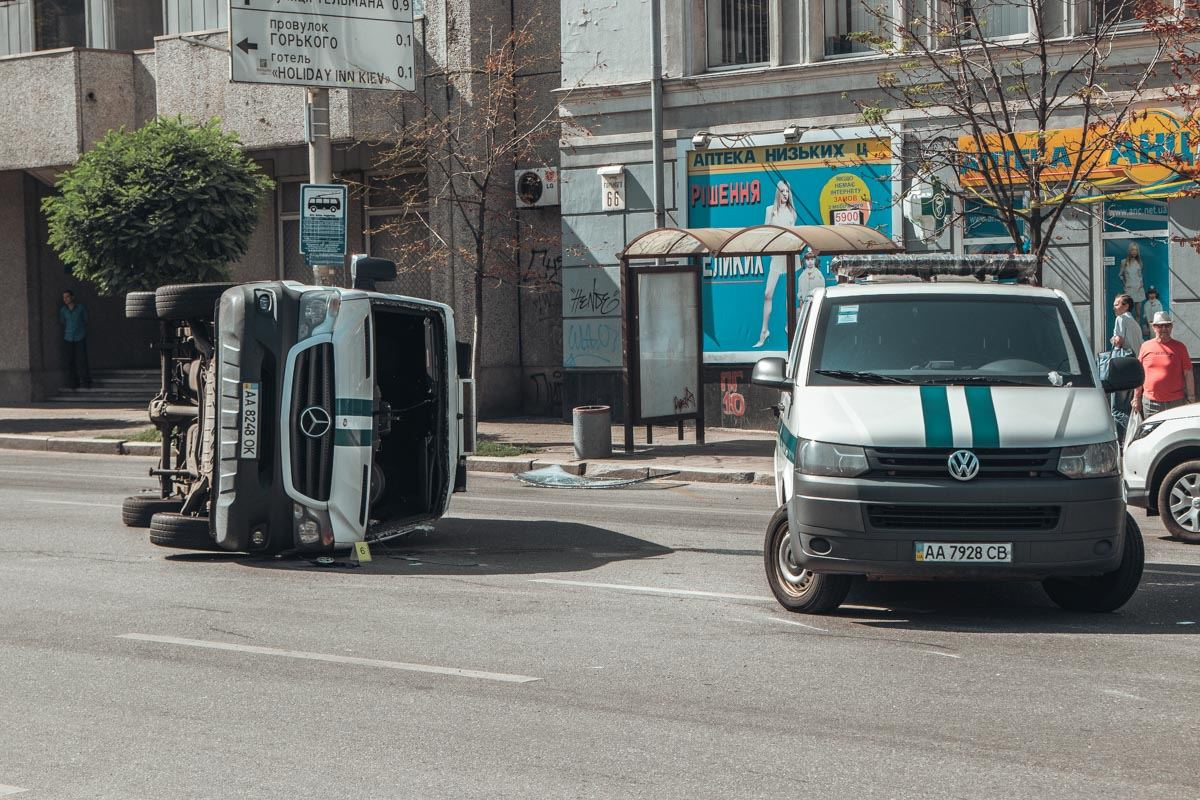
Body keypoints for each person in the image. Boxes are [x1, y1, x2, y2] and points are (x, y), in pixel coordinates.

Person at [753, 179, 798, 348]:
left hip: (789, 255)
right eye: (783, 191)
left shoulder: (792, 213)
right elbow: (765, 232)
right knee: (768, 294)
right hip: (776, 256)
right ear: (777, 192)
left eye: (787, 191)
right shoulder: (770, 211)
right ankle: (764, 331)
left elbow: (793, 236)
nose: (785, 194)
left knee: (789, 294)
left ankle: (789, 326)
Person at [1133, 311, 1196, 419]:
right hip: (1151, 403)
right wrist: (1136, 398)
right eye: (1160, 326)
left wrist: (1191, 398)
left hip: (1176, 402)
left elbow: (1188, 374)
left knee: (1175, 434)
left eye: (1167, 325)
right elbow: (1140, 375)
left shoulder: (1180, 347)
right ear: (1154, 327)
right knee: (1152, 434)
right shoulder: (1145, 346)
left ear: (1171, 327)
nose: (1164, 329)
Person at [1109, 294, 1142, 438]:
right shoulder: (1134, 323)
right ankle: (1131, 435)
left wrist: (1113, 339)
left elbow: (1118, 340)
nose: (1114, 307)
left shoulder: (1121, 319)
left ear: (1126, 306)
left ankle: (1123, 440)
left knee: (1117, 409)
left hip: (1121, 368)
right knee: (1128, 407)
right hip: (1134, 367)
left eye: (1117, 304)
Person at [58, 289, 91, 389]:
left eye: (67, 297)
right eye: (64, 297)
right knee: (70, 361)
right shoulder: (63, 310)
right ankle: (73, 383)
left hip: (80, 336)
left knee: (82, 360)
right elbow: (62, 322)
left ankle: (86, 382)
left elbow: (85, 319)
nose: (65, 299)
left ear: (72, 297)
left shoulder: (80, 308)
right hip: (68, 337)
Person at [1119, 242, 1146, 320]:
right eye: (1132, 250)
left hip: (1139, 289)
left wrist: (1141, 283)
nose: (1134, 252)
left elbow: (1140, 275)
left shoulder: (1139, 262)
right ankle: (1130, 330)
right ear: (1129, 251)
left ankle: (1137, 330)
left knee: (1138, 313)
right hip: (1129, 289)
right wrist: (1125, 285)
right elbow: (1120, 275)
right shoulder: (1124, 262)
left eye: (1136, 250)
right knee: (1128, 313)